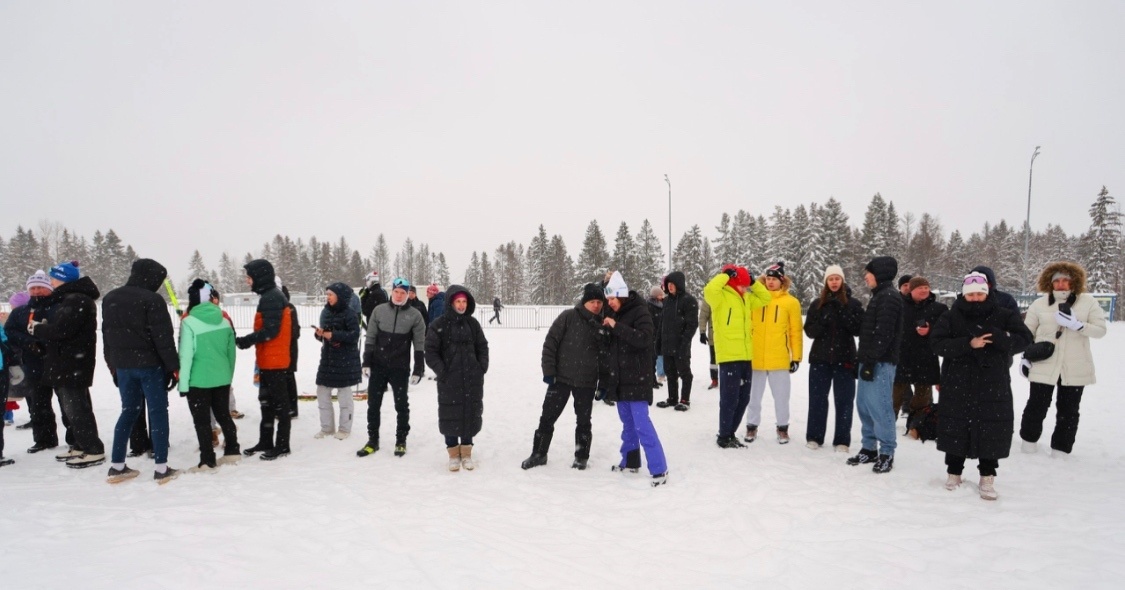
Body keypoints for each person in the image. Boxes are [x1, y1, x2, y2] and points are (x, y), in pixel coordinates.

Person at [931, 272, 1032, 500]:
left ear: (987, 293)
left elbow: (1024, 339)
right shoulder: (951, 316)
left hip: (992, 382)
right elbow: (937, 344)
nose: (975, 298)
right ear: (964, 294)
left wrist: (1000, 337)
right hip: (958, 381)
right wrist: (968, 344)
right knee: (956, 426)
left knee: (991, 428)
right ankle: (954, 472)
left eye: (979, 293)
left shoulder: (1003, 315)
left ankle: (987, 476)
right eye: (971, 294)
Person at [101, 258, 181, 484]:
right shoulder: (152, 300)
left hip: (124, 367)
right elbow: (163, 339)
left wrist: (113, 365)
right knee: (158, 412)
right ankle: (162, 468)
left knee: (128, 411)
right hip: (150, 367)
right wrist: (173, 367)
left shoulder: (110, 298)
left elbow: (106, 335)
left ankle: (117, 466)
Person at [1019, 262, 1106, 456]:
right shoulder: (1039, 304)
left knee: (1069, 411)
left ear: (1074, 281)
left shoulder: (1088, 302)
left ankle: (1061, 449)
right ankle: (1028, 443)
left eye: (1065, 280)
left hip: (1075, 366)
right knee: (1036, 406)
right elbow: (1026, 333)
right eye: (1056, 280)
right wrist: (1025, 356)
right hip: (1044, 364)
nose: (1061, 284)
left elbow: (1101, 330)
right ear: (1050, 283)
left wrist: (1077, 325)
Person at [521, 283, 606, 470]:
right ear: (584, 302)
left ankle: (581, 456)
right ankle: (539, 454)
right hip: (560, 379)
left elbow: (606, 357)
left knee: (584, 421)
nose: (596, 305)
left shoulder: (603, 324)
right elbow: (550, 343)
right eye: (592, 301)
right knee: (547, 418)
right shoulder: (568, 317)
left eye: (599, 301)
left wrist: (604, 383)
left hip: (587, 382)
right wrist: (549, 371)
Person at [30, 260, 106, 469]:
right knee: (71, 407)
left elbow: (62, 331)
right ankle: (81, 445)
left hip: (72, 364)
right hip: (68, 362)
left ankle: (93, 449)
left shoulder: (76, 299)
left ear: (63, 279)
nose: (51, 281)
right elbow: (62, 329)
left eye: (53, 277)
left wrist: (37, 329)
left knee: (77, 408)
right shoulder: (71, 298)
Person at [600, 272, 667, 486]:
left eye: (611, 299)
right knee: (627, 424)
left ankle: (659, 469)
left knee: (642, 425)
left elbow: (645, 339)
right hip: (620, 378)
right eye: (608, 299)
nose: (609, 303)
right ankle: (630, 462)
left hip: (638, 377)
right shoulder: (614, 311)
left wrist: (616, 327)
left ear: (621, 295)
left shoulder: (640, 311)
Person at [357, 277, 426, 458]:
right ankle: (373, 440)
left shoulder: (415, 315)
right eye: (396, 291)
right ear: (392, 291)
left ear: (407, 295)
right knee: (373, 404)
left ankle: (401, 440)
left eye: (403, 292)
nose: (399, 295)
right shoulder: (379, 311)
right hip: (378, 366)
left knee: (401, 405)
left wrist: (418, 368)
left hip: (400, 368)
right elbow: (370, 338)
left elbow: (419, 343)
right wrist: (366, 362)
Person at [847, 256, 904, 473]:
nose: (865, 276)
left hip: (880, 363)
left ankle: (887, 452)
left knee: (880, 408)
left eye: (868, 273)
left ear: (879, 274)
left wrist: (870, 361)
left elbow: (883, 335)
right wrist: (862, 360)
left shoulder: (889, 297)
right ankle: (869, 448)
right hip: (870, 361)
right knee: (865, 407)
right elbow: (870, 333)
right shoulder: (880, 296)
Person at [704, 264, 770, 449]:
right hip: (729, 356)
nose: (745, 288)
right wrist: (725, 275)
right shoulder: (720, 297)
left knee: (744, 398)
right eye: (742, 284)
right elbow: (709, 289)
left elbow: (765, 298)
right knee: (729, 398)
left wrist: (753, 281)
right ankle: (724, 436)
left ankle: (730, 432)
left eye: (746, 285)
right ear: (733, 283)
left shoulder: (747, 298)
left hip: (746, 355)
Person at [178, 280, 240, 473]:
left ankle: (207, 460)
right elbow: (232, 353)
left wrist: (183, 384)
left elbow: (186, 356)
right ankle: (232, 450)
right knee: (223, 415)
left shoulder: (188, 322)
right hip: (221, 378)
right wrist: (227, 375)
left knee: (202, 421)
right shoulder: (224, 320)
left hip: (198, 381)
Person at [236, 259, 295, 461]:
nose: (247, 282)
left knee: (279, 405)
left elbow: (270, 331)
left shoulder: (271, 298)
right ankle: (266, 441)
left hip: (275, 362)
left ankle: (282, 445)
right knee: (266, 403)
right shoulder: (269, 296)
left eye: (249, 277)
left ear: (260, 277)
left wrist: (246, 340)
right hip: (268, 360)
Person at [425, 285, 489, 471]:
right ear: (451, 303)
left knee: (469, 414)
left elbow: (482, 347)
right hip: (449, 380)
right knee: (450, 415)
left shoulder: (473, 324)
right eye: (458, 301)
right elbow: (430, 352)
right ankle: (453, 453)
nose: (461, 305)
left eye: (464, 302)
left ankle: (467, 452)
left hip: (472, 379)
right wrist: (443, 371)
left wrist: (481, 367)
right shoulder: (438, 325)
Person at [803, 265, 864, 452]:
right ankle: (814, 437)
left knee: (844, 401)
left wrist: (843, 313)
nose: (834, 282)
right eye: (831, 279)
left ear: (842, 280)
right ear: (826, 282)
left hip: (844, 359)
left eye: (837, 278)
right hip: (820, 359)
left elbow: (859, 329)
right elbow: (810, 331)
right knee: (817, 399)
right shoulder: (817, 304)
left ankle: (842, 440)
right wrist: (824, 319)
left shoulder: (854, 304)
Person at [4, 273, 67, 455]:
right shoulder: (20, 311)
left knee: (67, 403)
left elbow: (65, 331)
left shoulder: (59, 307)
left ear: (49, 288)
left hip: (58, 362)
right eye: (33, 288)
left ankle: (74, 439)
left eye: (40, 287)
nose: (37, 291)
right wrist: (29, 342)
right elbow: (10, 331)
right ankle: (44, 440)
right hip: (32, 363)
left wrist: (46, 341)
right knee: (39, 404)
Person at [744, 262, 803, 444]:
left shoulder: (791, 302)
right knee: (753, 397)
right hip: (756, 358)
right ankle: (751, 427)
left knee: (781, 397)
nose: (770, 282)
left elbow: (795, 331)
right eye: (767, 279)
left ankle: (782, 428)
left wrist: (797, 357)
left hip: (779, 359)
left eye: (774, 279)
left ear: (781, 281)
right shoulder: (755, 300)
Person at [313, 282, 362, 440]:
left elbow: (354, 335)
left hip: (345, 360)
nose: (327, 298)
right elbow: (325, 333)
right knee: (322, 392)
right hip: (328, 359)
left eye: (330, 295)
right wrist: (320, 334)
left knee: (344, 396)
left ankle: (344, 429)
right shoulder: (325, 312)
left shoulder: (350, 314)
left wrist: (333, 335)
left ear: (339, 297)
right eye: (327, 295)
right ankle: (327, 428)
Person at [893, 277, 946, 418]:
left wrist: (930, 330)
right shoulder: (898, 306)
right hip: (901, 357)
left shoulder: (939, 309)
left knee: (923, 399)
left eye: (926, 287)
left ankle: (917, 425)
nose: (924, 290)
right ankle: (885, 428)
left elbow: (946, 332)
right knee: (893, 397)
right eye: (920, 288)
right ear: (911, 290)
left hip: (926, 359)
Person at [656, 271, 698, 411]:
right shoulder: (666, 301)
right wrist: (659, 342)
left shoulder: (689, 300)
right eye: (668, 284)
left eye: (672, 284)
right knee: (670, 372)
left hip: (681, 345)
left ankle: (684, 400)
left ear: (679, 284)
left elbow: (692, 324)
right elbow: (662, 323)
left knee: (685, 373)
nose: (670, 286)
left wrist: (684, 342)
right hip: (667, 345)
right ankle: (672, 398)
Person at [698, 294, 719, 390]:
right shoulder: (709, 297)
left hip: (729, 336)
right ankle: (714, 379)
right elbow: (703, 316)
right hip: (713, 335)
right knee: (714, 360)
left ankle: (728, 379)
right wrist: (702, 332)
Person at [646, 286, 665, 390]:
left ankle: (653, 380)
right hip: (652, 336)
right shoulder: (650, 305)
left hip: (658, 335)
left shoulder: (660, 304)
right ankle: (651, 380)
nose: (662, 296)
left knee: (655, 357)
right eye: (660, 294)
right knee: (652, 359)